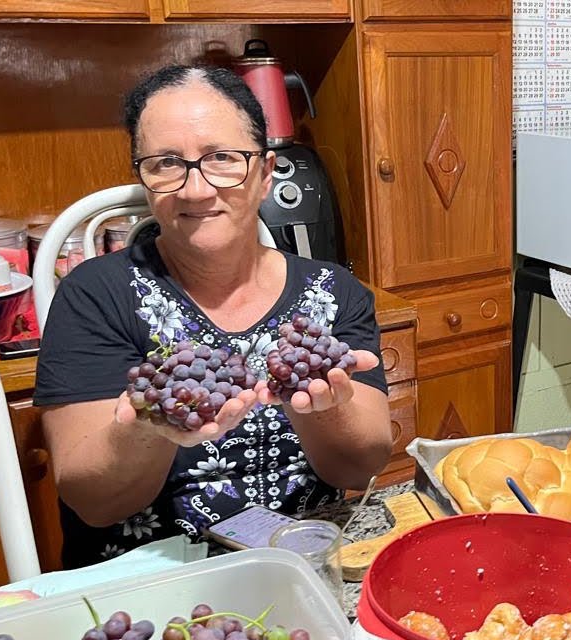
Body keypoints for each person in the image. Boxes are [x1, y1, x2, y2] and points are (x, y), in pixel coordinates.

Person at [35, 65, 392, 568]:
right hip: (154, 585)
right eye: (166, 163)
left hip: (301, 565)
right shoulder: (95, 295)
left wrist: (324, 407)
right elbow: (95, 504)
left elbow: (361, 466)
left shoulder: (333, 291)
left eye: (222, 158)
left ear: (265, 174)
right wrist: (148, 427)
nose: (196, 189)